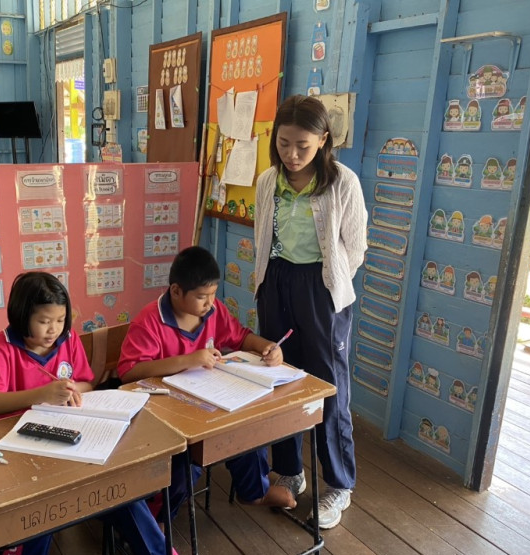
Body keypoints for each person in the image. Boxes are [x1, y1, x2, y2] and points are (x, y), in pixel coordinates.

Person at [0, 272, 199, 555]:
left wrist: (71, 389)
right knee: (32, 523)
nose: (53, 329)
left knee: (125, 495)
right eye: (44, 321)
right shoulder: (4, 346)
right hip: (25, 458)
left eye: (60, 320)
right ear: (22, 316)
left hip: (77, 445)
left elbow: (86, 383)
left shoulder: (67, 339)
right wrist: (41, 394)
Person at [253, 95, 368, 529]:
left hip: (321, 291)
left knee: (328, 386)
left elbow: (355, 247)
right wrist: (270, 284)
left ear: (323, 140)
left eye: (303, 145)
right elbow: (264, 236)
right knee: (280, 379)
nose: (293, 154)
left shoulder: (343, 182)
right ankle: (290, 471)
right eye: (284, 144)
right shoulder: (268, 181)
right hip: (276, 283)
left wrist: (327, 286)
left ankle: (338, 484)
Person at [118, 246, 296, 517]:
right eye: (202, 297)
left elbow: (240, 337)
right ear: (176, 291)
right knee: (185, 466)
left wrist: (267, 347)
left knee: (245, 429)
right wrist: (187, 360)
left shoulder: (213, 311)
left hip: (207, 402)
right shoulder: (150, 321)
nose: (210, 303)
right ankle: (159, 519)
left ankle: (255, 492)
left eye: (213, 294)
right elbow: (129, 372)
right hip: (164, 414)